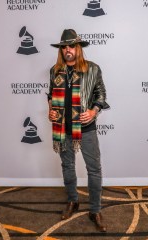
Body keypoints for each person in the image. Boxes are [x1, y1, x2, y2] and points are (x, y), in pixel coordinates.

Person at [47, 29, 109, 232]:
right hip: (63, 127)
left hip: (86, 127)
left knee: (94, 169)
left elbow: (101, 93)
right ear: (61, 49)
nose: (68, 50)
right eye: (64, 47)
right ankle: (73, 201)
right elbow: (50, 95)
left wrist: (93, 111)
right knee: (67, 166)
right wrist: (51, 111)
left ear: (78, 48)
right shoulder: (55, 70)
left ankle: (95, 209)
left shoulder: (92, 69)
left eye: (71, 46)